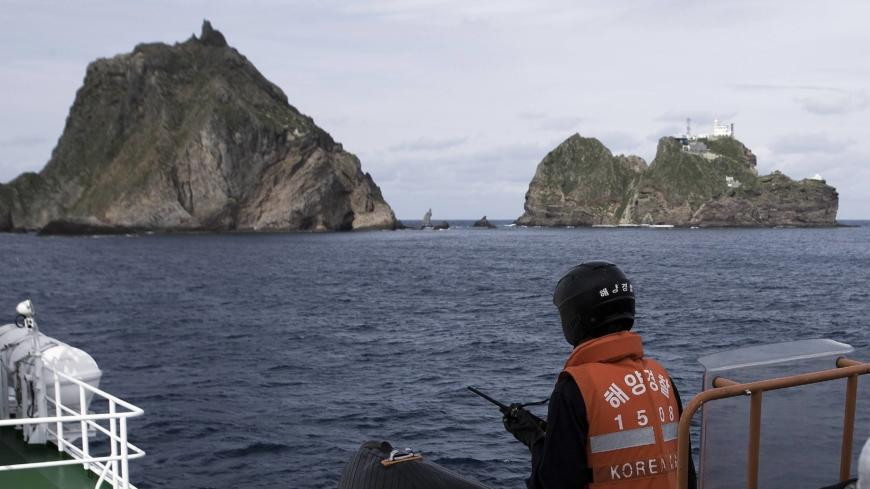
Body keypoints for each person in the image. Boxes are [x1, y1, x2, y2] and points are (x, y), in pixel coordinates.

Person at [503, 261, 697, 489]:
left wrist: (534, 439)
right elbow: (685, 472)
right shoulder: (661, 377)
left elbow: (555, 483)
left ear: (575, 318)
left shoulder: (576, 387)